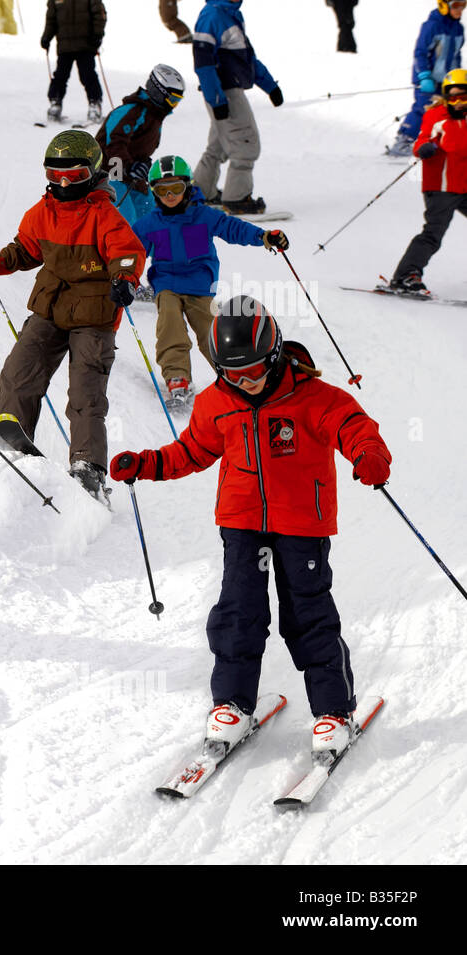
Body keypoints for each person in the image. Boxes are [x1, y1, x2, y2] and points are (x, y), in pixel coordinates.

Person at [110, 295, 391, 760]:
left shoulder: (314, 397)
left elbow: (353, 425)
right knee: (238, 612)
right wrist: (147, 463)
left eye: (254, 372)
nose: (245, 383)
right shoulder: (217, 401)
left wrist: (369, 454)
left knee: (308, 614)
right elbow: (192, 452)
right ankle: (233, 706)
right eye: (232, 375)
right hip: (241, 522)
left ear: (275, 353)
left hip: (302, 523)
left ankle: (333, 711)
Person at [0, 130, 145, 500]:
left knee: (85, 391)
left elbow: (127, 253)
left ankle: (88, 468)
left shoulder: (104, 215)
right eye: (54, 175)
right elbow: (25, 250)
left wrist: (125, 279)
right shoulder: (41, 213)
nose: (63, 184)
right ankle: (11, 436)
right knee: (20, 369)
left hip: (94, 313)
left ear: (93, 173)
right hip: (50, 307)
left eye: (74, 176)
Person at [130, 155, 289, 407]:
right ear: (154, 191)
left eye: (176, 188)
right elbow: (131, 251)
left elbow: (233, 228)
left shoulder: (203, 216)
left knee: (210, 331)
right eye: (162, 190)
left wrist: (264, 237)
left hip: (199, 285)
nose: (170, 195)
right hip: (167, 284)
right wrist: (120, 274)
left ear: (188, 186)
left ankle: (233, 373)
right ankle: (177, 377)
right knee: (170, 324)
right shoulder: (150, 224)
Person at [190, 0, 284, 215]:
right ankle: (237, 199)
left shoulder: (230, 14)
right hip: (224, 93)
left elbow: (247, 59)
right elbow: (203, 62)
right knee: (245, 144)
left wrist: (270, 87)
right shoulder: (212, 15)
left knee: (219, 145)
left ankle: (202, 192)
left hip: (227, 91)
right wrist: (217, 99)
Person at [388, 69, 467, 293]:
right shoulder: (437, 116)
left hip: (463, 185)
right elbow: (421, 140)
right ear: (445, 97)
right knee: (434, 233)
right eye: (454, 97)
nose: (459, 102)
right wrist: (424, 148)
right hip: (441, 187)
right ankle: (405, 276)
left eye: (464, 96)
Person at [95, 64, 186, 226]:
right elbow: (114, 144)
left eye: (177, 102)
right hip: (110, 173)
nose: (173, 106)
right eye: (172, 99)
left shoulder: (155, 116)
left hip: (131, 177)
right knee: (125, 220)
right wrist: (129, 166)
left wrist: (143, 163)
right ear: (159, 92)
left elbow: (140, 149)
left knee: (151, 217)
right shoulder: (132, 111)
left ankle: (148, 249)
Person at [388, 1, 464, 157]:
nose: (460, 10)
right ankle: (403, 141)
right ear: (444, 6)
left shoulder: (459, 28)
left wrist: (458, 77)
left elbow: (457, 54)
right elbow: (420, 52)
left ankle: (438, 141)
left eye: (464, 5)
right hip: (427, 79)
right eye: (456, 5)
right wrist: (424, 76)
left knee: (446, 111)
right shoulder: (431, 26)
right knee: (423, 109)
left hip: (447, 82)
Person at [41, 0, 108, 124]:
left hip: (86, 45)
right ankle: (55, 102)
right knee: (60, 76)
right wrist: (46, 36)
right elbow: (51, 19)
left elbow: (99, 14)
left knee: (88, 75)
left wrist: (98, 34)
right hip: (65, 46)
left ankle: (95, 104)